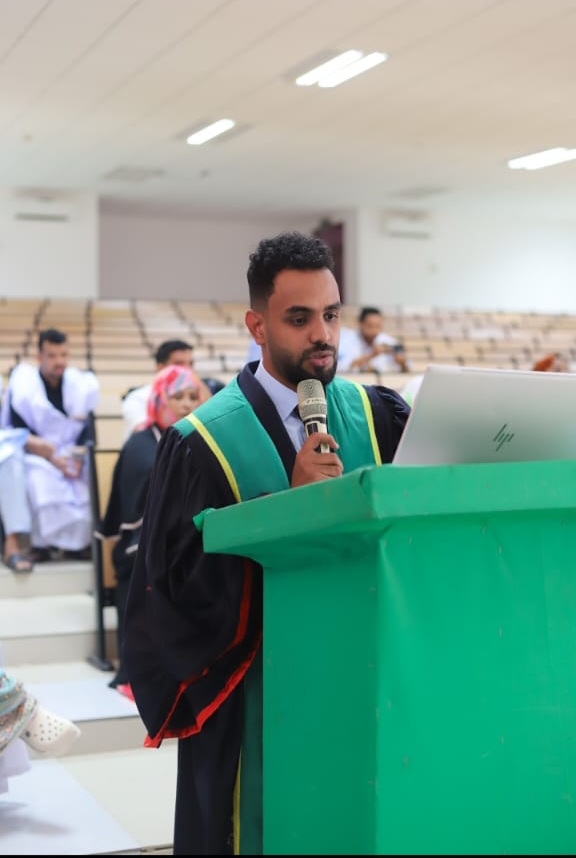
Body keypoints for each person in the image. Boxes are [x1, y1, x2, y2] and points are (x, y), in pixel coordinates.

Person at [123, 230, 411, 855]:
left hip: (365, 680)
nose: (323, 335)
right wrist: (287, 510)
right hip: (254, 702)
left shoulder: (376, 414)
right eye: (299, 319)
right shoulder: (202, 442)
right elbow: (174, 592)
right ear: (257, 325)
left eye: (331, 315)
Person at [97, 364, 208, 697]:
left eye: (193, 396)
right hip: (140, 545)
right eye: (178, 396)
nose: (187, 404)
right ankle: (144, 675)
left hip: (181, 538)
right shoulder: (141, 443)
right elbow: (139, 509)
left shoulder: (195, 438)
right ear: (160, 399)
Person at [0, 330, 100, 563]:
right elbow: (18, 432)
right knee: (38, 478)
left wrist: (76, 457)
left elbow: (87, 432)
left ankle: (78, 545)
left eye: (63, 355)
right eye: (52, 356)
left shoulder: (80, 385)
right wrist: (52, 458)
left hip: (70, 456)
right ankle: (40, 546)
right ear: (39, 357)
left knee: (86, 478)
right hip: (36, 454)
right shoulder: (24, 386)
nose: (59, 362)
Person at [121, 339, 213, 440]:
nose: (187, 369)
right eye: (179, 363)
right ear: (160, 367)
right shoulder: (138, 397)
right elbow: (144, 435)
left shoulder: (200, 391)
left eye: (190, 364)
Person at [338, 305, 410, 374]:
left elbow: (407, 369)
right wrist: (372, 354)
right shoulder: (347, 339)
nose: (374, 331)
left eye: (378, 326)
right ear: (360, 323)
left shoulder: (388, 341)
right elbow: (342, 368)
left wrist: (402, 363)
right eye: (370, 326)